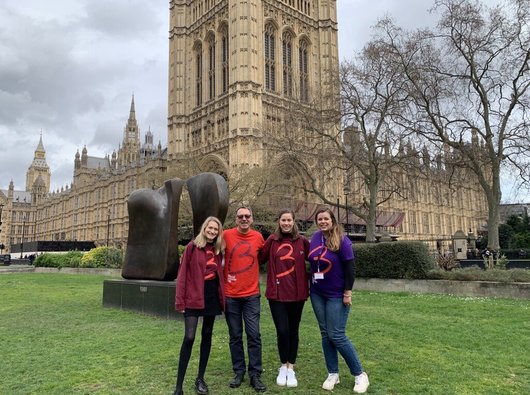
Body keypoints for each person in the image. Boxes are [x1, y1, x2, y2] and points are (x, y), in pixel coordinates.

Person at [308, 207, 369, 394]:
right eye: (320, 219)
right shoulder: (316, 238)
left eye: (326, 218)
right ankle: (332, 373)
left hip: (336, 294)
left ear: (332, 220)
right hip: (317, 293)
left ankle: (360, 374)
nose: (323, 222)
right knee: (325, 333)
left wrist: (347, 293)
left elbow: (350, 269)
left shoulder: (342, 240)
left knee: (336, 334)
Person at [173, 216, 225, 395]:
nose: (212, 231)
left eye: (215, 229)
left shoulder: (218, 250)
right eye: (209, 228)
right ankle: (178, 386)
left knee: (207, 334)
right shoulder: (192, 247)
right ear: (204, 228)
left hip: (211, 296)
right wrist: (180, 301)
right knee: (189, 337)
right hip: (194, 296)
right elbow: (182, 276)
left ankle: (200, 378)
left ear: (218, 233)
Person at [260, 209, 309, 388]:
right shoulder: (272, 241)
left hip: (297, 295)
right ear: (279, 222)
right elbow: (259, 258)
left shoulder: (302, 241)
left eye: (289, 220)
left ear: (294, 222)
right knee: (282, 331)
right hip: (277, 295)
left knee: (293, 330)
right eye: (283, 220)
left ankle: (291, 367)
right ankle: (283, 365)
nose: (286, 223)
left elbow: (316, 258)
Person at [223, 206, 266, 392]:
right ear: (235, 219)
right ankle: (238, 371)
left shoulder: (258, 237)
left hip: (251, 295)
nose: (244, 219)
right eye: (240, 216)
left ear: (252, 219)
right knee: (235, 336)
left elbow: (264, 258)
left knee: (254, 335)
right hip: (231, 295)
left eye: (247, 216)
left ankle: (255, 374)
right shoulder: (225, 235)